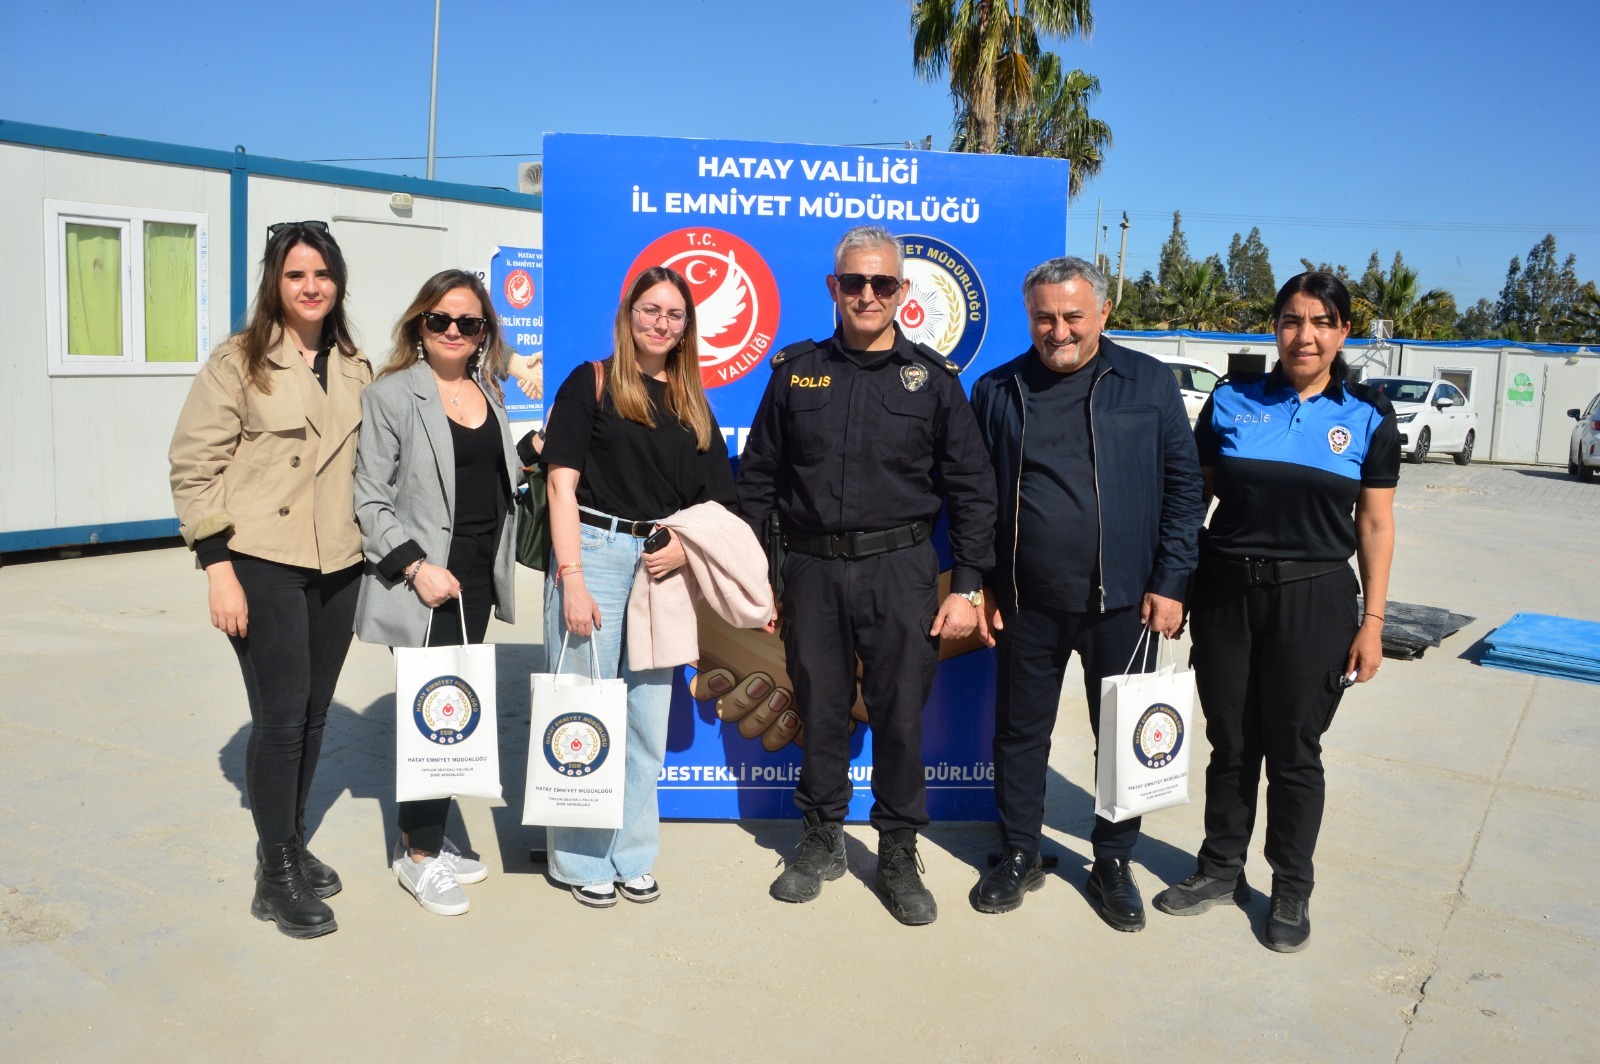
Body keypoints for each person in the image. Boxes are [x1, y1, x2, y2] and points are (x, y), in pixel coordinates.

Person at [736, 224, 998, 926]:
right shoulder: (796, 373)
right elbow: (757, 481)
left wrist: (968, 585)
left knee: (899, 715)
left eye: (883, 283)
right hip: (811, 569)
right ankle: (820, 838)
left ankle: (897, 849)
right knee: (820, 707)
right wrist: (759, 578)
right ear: (833, 288)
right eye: (854, 282)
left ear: (903, 292)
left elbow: (974, 488)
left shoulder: (935, 382)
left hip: (902, 569)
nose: (868, 294)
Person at [1153, 271, 1398, 953]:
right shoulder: (1231, 402)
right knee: (1230, 742)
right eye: (1292, 320)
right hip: (1228, 594)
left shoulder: (1368, 417)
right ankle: (1219, 867)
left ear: (1342, 332)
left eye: (1321, 322)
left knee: (1294, 751)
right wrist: (1175, 583)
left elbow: (1375, 526)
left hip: (1315, 599)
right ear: (1276, 327)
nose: (1305, 335)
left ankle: (1291, 885)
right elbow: (1190, 503)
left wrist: (1372, 623)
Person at [967, 256, 1204, 929]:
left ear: (1103, 313)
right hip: (1026, 603)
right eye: (1045, 316)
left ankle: (1113, 862)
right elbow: (977, 501)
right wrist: (982, 584)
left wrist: (1171, 580)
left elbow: (1186, 493)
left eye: (1073, 315)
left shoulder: (1149, 385)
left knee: (1125, 737)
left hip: (1125, 603)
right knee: (1019, 734)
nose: (1059, 329)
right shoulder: (998, 389)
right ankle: (1018, 853)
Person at [169, 221, 370, 939]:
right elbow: (193, 470)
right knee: (281, 719)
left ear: (337, 282)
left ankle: (287, 842)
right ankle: (273, 872)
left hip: (339, 562)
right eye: (295, 275)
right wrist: (217, 567)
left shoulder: (355, 364)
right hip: (261, 559)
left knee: (315, 715)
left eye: (322, 274)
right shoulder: (239, 361)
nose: (310, 287)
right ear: (275, 284)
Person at [540, 265, 737, 907]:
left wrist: (682, 546)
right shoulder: (589, 382)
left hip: (661, 566)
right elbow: (560, 484)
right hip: (592, 552)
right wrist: (571, 578)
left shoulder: (690, 402)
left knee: (647, 721)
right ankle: (577, 859)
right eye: (650, 310)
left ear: (687, 327)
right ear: (629, 315)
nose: (661, 323)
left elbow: (718, 502)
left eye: (675, 314)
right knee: (583, 712)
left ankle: (631, 853)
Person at [353, 269, 519, 917]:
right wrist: (417, 567)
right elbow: (368, 498)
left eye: (469, 323)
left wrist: (529, 451)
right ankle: (418, 859)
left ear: (484, 334)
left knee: (454, 707)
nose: (454, 331)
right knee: (434, 717)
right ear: (420, 324)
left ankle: (427, 836)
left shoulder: (489, 392)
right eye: (441, 320)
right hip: (426, 584)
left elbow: (490, 476)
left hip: (476, 580)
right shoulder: (392, 396)